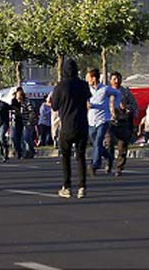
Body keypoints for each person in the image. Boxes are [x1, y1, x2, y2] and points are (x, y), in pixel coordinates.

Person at [50, 59, 93, 198]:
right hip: (82, 124)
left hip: (67, 125)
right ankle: (82, 187)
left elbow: (55, 106)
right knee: (81, 156)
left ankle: (67, 186)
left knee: (66, 157)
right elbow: (88, 99)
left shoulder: (60, 86)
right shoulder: (83, 85)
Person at [86, 68, 118, 175]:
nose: (87, 80)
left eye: (88, 78)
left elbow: (117, 93)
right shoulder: (87, 89)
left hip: (103, 119)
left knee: (99, 141)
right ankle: (109, 157)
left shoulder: (105, 89)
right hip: (91, 120)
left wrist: (115, 106)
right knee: (95, 143)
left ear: (94, 78)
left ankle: (95, 165)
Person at [110, 87, 135, 176]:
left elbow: (134, 106)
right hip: (112, 125)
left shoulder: (126, 93)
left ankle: (119, 167)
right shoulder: (106, 92)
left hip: (123, 126)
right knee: (109, 143)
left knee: (122, 147)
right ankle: (109, 162)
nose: (116, 81)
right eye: (114, 79)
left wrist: (126, 108)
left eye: (118, 79)